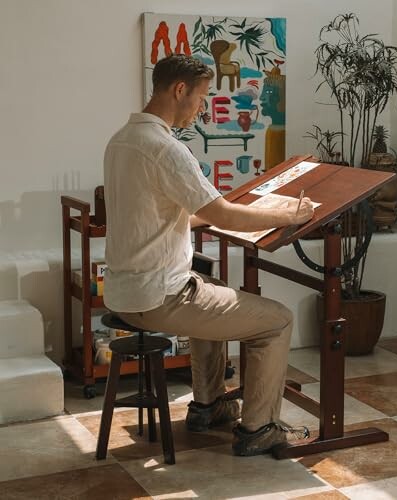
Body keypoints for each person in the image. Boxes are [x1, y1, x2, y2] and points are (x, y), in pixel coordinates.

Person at [103, 54, 314, 456]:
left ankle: (209, 405)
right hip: (158, 297)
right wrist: (289, 213)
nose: (202, 107)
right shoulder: (165, 148)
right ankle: (259, 428)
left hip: (123, 291)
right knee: (277, 320)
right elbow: (219, 212)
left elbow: (157, 214)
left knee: (212, 286)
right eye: (200, 98)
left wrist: (204, 220)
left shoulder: (121, 140)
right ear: (179, 90)